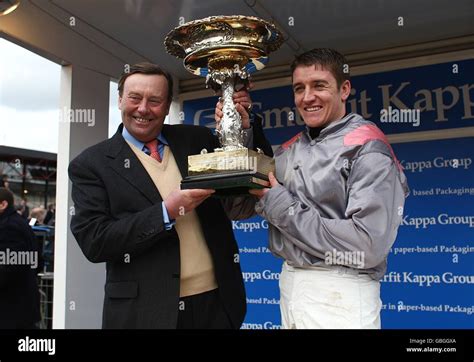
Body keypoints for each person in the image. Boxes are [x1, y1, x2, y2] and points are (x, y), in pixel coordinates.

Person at [68, 62, 272, 329]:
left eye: (154, 100)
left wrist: (243, 128)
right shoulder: (91, 164)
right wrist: (166, 212)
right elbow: (95, 242)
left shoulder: (197, 139)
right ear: (120, 100)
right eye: (134, 98)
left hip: (217, 304)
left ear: (166, 107)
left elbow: (245, 186)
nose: (143, 108)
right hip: (145, 313)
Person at [242, 48, 408, 329]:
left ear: (344, 89)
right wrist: (242, 129)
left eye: (319, 85)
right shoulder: (290, 148)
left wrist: (279, 204)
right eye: (299, 88)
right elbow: (243, 204)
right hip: (291, 284)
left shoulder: (367, 147)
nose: (307, 97)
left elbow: (366, 247)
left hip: (340, 292)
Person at [0, 187, 41, 329]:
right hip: (21, 306)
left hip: (11, 309)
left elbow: (9, 269)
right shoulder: (20, 223)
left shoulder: (8, 228)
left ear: (3, 204)